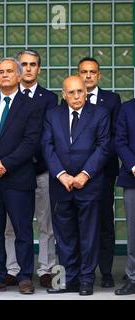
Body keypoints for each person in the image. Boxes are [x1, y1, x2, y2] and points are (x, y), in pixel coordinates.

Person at [0, 58, 43, 294]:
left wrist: (5, 164)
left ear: (19, 75)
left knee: (23, 230)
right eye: (0, 72)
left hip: (18, 177)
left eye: (9, 71)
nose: (4, 75)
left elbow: (30, 142)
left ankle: (24, 277)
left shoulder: (30, 105)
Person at [43, 76, 110, 296]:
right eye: (71, 92)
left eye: (80, 91)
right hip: (61, 185)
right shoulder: (53, 114)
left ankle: (86, 280)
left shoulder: (99, 113)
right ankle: (66, 280)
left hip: (89, 185)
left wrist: (84, 174)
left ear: (86, 92)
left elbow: (103, 147)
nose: (76, 96)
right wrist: (61, 174)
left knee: (89, 235)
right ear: (64, 94)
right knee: (64, 235)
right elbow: (47, 145)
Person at [4, 50, 58, 288]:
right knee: (12, 224)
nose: (27, 68)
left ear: (39, 69)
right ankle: (12, 269)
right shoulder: (7, 98)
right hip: (13, 172)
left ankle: (46, 269)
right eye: (23, 64)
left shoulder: (49, 98)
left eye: (32, 64)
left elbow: (47, 135)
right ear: (17, 69)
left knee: (46, 223)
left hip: (41, 169)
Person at [77, 57, 121, 288]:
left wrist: (93, 164)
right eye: (84, 71)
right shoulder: (69, 97)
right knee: (77, 223)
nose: (88, 76)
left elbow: (114, 136)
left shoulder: (112, 100)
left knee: (104, 222)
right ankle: (79, 271)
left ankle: (105, 271)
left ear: (99, 75)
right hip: (74, 173)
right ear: (78, 74)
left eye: (92, 72)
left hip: (103, 172)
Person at [114, 97, 135, 295]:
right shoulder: (127, 108)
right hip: (133, 178)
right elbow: (119, 141)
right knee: (134, 232)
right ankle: (133, 277)